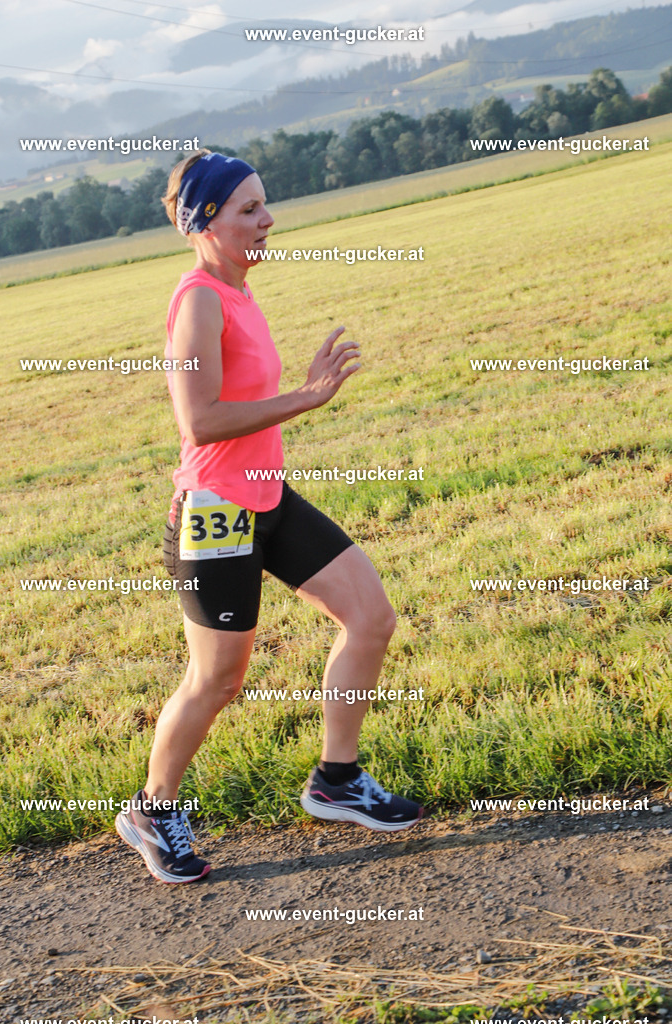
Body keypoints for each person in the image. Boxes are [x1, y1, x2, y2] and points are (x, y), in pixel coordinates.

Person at [115, 149, 423, 884]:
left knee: (371, 618)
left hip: (265, 495)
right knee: (217, 680)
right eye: (249, 209)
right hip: (215, 515)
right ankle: (152, 809)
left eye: (264, 204)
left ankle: (337, 781)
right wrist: (307, 397)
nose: (268, 219)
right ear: (206, 221)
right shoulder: (197, 299)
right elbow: (201, 419)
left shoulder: (238, 290)